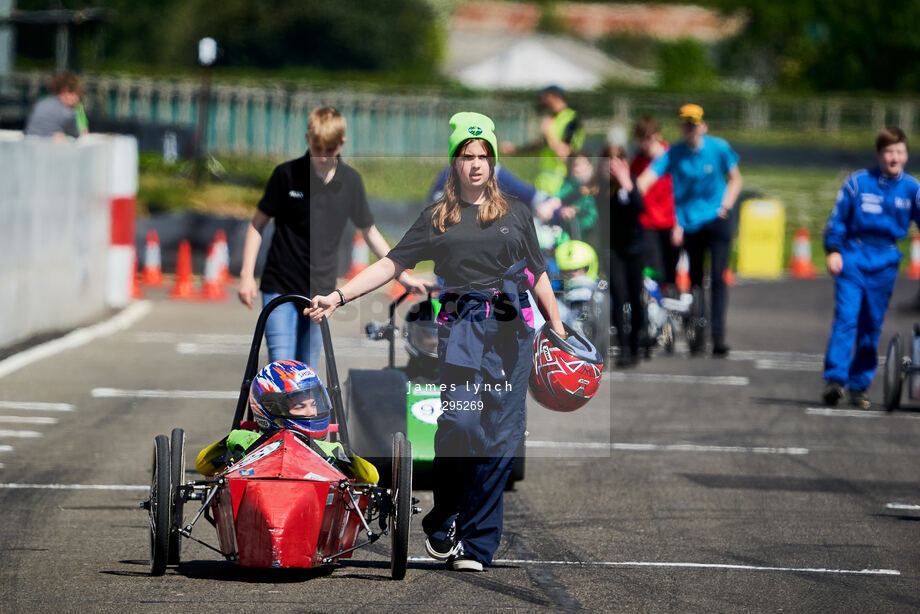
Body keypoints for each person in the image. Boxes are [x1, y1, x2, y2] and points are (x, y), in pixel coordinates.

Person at [306, 111, 565, 572]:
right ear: (455, 163)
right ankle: (445, 516)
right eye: (467, 156)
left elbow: (538, 275)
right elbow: (390, 265)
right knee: (462, 429)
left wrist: (558, 330)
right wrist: (339, 296)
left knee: (501, 441)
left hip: (511, 338)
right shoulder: (439, 218)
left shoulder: (517, 215)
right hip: (462, 333)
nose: (476, 164)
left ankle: (477, 545)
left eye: (484, 155)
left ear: (493, 161)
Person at [238, 107, 428, 367]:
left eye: (330, 150)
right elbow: (256, 225)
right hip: (279, 286)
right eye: (318, 150)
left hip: (321, 292)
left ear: (342, 144)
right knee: (281, 369)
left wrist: (403, 275)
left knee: (308, 373)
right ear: (308, 140)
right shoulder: (286, 175)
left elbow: (370, 232)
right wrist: (247, 275)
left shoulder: (350, 181)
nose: (323, 157)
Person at [821, 128, 920, 409]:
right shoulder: (858, 183)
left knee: (871, 325)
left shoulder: (912, 189)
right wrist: (833, 250)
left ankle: (859, 385)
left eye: (899, 152)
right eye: (889, 152)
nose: (894, 157)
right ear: (879, 155)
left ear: (906, 156)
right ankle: (836, 381)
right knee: (846, 318)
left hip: (886, 260)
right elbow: (837, 218)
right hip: (853, 256)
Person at [636, 104, 742, 356]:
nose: (690, 129)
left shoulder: (718, 148)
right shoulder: (674, 153)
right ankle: (698, 333)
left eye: (694, 124)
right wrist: (628, 195)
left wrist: (726, 205)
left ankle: (717, 336)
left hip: (717, 218)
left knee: (717, 276)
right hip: (689, 222)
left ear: (703, 126)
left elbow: (736, 178)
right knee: (694, 279)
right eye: (685, 124)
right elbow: (646, 179)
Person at [599, 145, 645, 367]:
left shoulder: (631, 182)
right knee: (619, 295)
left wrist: (626, 182)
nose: (613, 166)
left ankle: (637, 341)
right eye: (609, 161)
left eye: (618, 161)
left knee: (636, 297)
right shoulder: (602, 187)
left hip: (634, 248)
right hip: (612, 249)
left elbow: (639, 207)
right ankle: (624, 347)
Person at [501, 85, 586, 196]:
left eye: (544, 97)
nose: (541, 101)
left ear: (554, 96)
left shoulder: (571, 119)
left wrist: (548, 133)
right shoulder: (552, 118)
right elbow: (542, 145)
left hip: (561, 187)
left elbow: (563, 153)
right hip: (543, 185)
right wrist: (515, 150)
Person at [630, 116, 678, 290]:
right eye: (641, 139)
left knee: (671, 269)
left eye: (648, 138)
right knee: (655, 270)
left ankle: (673, 304)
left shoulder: (671, 156)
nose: (645, 144)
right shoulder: (638, 161)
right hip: (647, 222)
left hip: (671, 221)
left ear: (657, 136)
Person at [24, 71, 89, 140]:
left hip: (29, 143)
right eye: (77, 94)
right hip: (47, 145)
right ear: (65, 92)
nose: (78, 99)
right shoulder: (68, 113)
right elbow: (78, 135)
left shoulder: (41, 103)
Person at [554, 152, 599, 244]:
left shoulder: (596, 188)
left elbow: (593, 217)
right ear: (571, 168)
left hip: (591, 238)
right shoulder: (566, 186)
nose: (581, 169)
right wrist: (564, 211)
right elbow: (556, 202)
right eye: (577, 165)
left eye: (585, 164)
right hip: (568, 239)